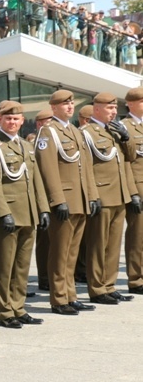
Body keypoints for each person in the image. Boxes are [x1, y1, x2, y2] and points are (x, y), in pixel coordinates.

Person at [0, 101, 50, 328]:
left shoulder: (25, 146)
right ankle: (5, 311)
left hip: (28, 213)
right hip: (8, 215)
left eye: (16, 118)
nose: (12, 122)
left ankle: (19, 307)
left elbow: (36, 179)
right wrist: (3, 213)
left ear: (22, 121)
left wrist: (43, 209)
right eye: (7, 118)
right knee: (4, 265)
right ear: (0, 119)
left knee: (22, 265)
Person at [35, 90, 100, 315]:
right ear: (53, 108)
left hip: (80, 199)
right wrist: (56, 200)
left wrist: (92, 196)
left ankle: (70, 295)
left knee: (72, 252)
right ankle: (59, 299)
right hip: (64, 200)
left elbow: (86, 168)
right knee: (60, 252)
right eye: (64, 104)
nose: (69, 107)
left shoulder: (74, 131)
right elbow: (48, 169)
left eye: (71, 103)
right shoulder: (48, 132)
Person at [80, 92, 138, 305]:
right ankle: (97, 288)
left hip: (119, 194)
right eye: (109, 108)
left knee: (113, 244)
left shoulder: (115, 130)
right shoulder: (87, 133)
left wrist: (125, 137)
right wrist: (92, 195)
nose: (113, 112)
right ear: (96, 109)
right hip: (101, 195)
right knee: (98, 244)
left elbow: (129, 158)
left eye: (115, 108)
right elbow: (85, 167)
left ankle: (109, 285)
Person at [119, 87, 143, 295]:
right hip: (138, 185)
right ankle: (136, 279)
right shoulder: (125, 126)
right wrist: (133, 191)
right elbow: (126, 162)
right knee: (137, 234)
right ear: (131, 104)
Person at [32, 109, 54, 291]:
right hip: (42, 198)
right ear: (39, 123)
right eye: (48, 121)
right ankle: (44, 278)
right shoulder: (38, 141)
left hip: (54, 196)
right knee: (45, 240)